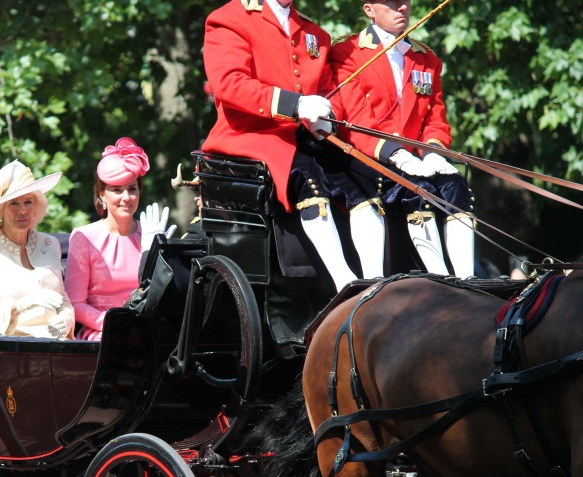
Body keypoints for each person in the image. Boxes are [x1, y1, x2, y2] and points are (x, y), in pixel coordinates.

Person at [201, 0, 359, 291]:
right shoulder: (228, 18)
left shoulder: (315, 33)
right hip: (250, 135)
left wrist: (329, 115)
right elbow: (230, 83)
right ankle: (344, 280)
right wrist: (294, 104)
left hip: (304, 135)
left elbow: (328, 91)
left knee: (360, 175)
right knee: (308, 176)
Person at [329, 0, 476, 277]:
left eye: (405, 2)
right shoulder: (347, 53)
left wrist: (433, 151)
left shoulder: (426, 59)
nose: (402, 9)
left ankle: (468, 278)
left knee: (456, 186)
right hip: (371, 157)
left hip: (418, 158)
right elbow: (356, 119)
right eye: (392, 3)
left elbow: (435, 118)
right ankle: (441, 278)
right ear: (369, 10)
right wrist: (395, 153)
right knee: (421, 190)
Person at [64, 137, 174, 341]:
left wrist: (158, 254)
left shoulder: (149, 235)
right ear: (102, 194)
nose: (126, 197)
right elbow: (75, 304)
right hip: (101, 333)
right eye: (116, 190)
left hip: (145, 331)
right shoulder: (84, 237)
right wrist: (114, 324)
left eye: (132, 189)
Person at [0, 160, 75, 339]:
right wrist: (24, 304)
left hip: (56, 345)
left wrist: (66, 318)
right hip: (10, 347)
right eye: (14, 203)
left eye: (28, 202)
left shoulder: (50, 243)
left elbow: (62, 299)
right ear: (0, 210)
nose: (23, 210)